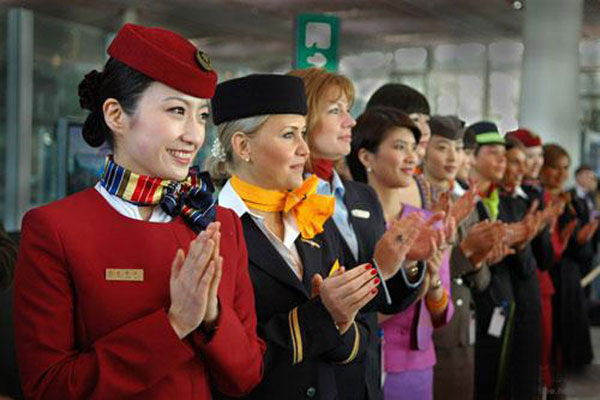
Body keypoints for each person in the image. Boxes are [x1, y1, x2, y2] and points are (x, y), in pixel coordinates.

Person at [13, 24, 264, 400]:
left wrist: (212, 317)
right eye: (177, 110)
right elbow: (49, 387)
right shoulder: (55, 230)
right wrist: (174, 324)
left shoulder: (217, 223)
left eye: (201, 116)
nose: (195, 135)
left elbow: (247, 376)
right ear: (116, 115)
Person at [208, 73, 402, 400]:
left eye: (302, 133)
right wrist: (324, 314)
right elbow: (226, 360)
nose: (304, 149)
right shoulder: (210, 229)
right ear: (243, 146)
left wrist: (342, 319)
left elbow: (358, 340)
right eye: (289, 135)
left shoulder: (309, 216)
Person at [287, 67, 427, 400]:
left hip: (366, 371)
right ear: (301, 120)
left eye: (348, 110)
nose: (350, 121)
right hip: (316, 373)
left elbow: (385, 301)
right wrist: (378, 268)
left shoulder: (361, 196)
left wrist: (406, 263)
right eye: (335, 110)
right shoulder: (287, 200)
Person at [348, 106, 454, 400]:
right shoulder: (347, 221)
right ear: (366, 157)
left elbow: (443, 316)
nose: (412, 157)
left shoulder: (428, 222)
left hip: (415, 366)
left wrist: (432, 280)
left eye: (413, 147)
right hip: (358, 362)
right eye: (399, 147)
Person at [423, 116, 493, 400]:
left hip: (463, 325)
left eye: (459, 148)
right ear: (423, 148)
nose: (454, 157)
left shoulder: (466, 201)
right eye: (442, 147)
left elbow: (483, 281)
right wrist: (465, 254)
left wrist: (478, 258)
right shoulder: (416, 200)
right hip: (428, 328)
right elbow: (420, 272)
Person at [540, 145, 595, 376]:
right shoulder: (538, 200)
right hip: (549, 273)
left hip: (568, 274)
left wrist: (580, 239)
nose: (562, 174)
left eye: (565, 168)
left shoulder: (569, 200)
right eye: (556, 168)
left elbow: (577, 243)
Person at [500, 137, 544, 399]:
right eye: (514, 162)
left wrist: (535, 232)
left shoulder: (529, 201)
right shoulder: (496, 201)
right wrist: (523, 242)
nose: (522, 169)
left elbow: (543, 259)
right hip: (506, 297)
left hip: (528, 297)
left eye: (523, 162)